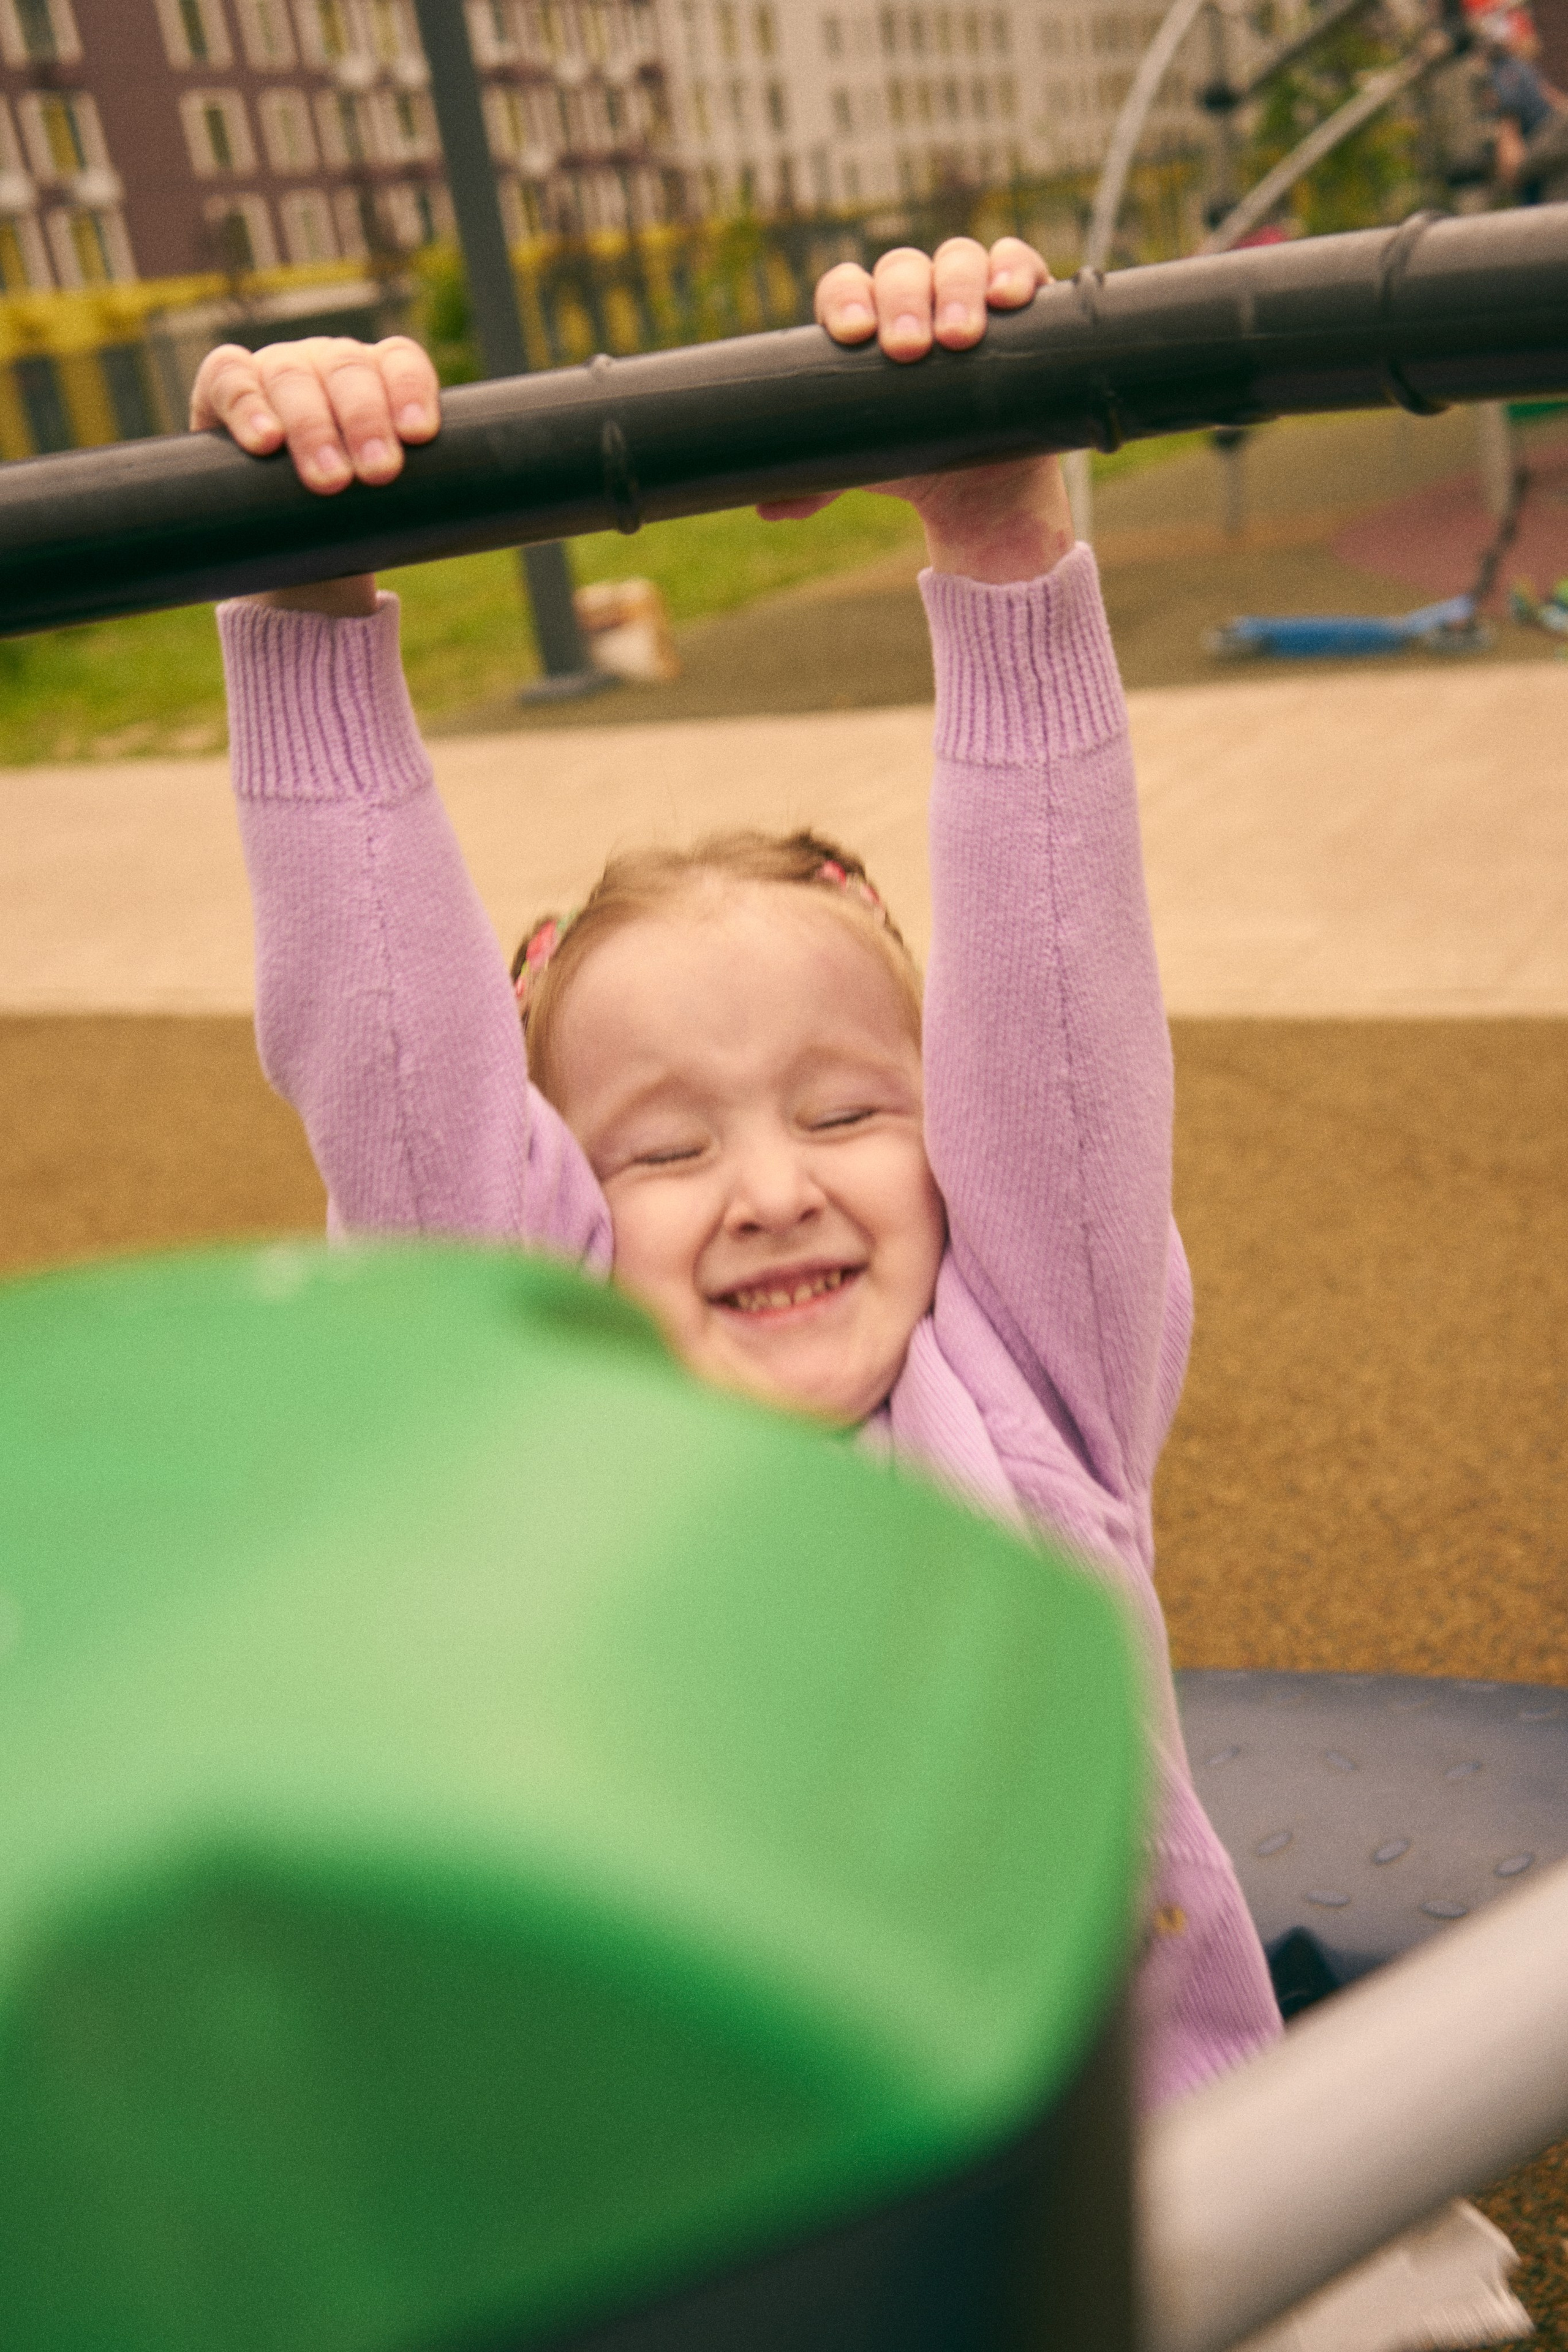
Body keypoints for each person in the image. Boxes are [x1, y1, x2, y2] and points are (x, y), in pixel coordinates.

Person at [194, 238, 1283, 2111]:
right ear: (557, 1227)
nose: (775, 1188)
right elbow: (398, 1071)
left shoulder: (1024, 1380)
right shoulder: (550, 1424)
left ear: (959, 1157)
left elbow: (1055, 996)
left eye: (851, 1113)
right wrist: (308, 616)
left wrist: (1000, 542)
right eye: (669, 1151)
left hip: (1134, 2207)